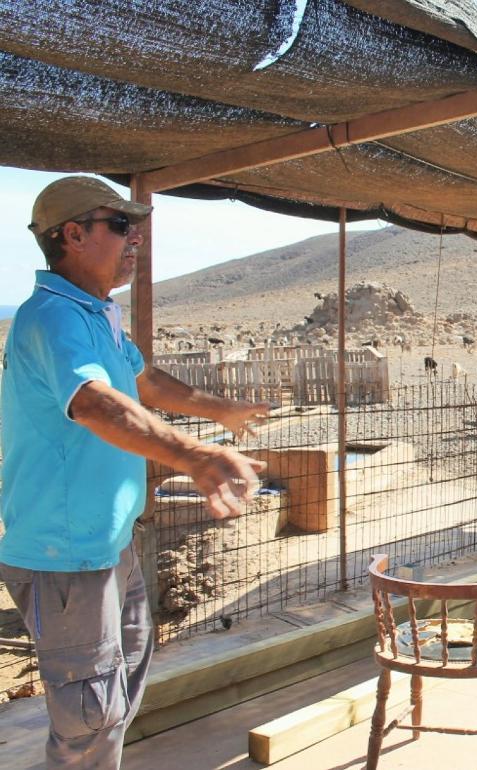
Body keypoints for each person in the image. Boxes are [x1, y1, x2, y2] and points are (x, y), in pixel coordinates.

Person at [0, 176, 271, 770]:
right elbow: (99, 403)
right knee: (89, 714)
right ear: (72, 235)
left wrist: (217, 409)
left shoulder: (97, 314)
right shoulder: (52, 318)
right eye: (120, 225)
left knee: (117, 686)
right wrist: (197, 456)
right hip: (66, 552)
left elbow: (142, 382)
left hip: (108, 541)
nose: (136, 239)